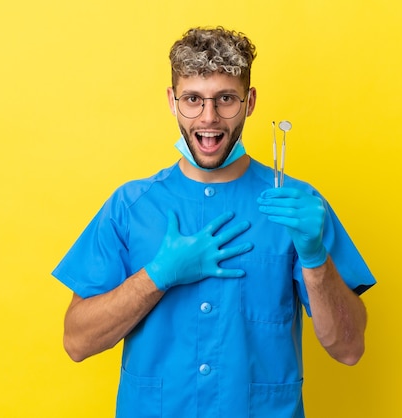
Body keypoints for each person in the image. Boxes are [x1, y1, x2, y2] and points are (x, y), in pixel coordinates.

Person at [52, 26, 376, 418]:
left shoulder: (297, 206)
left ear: (250, 101)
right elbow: (77, 342)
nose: (209, 118)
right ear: (172, 102)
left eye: (225, 99)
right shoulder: (131, 206)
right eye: (193, 99)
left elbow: (349, 348)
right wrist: (158, 275)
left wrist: (315, 258)